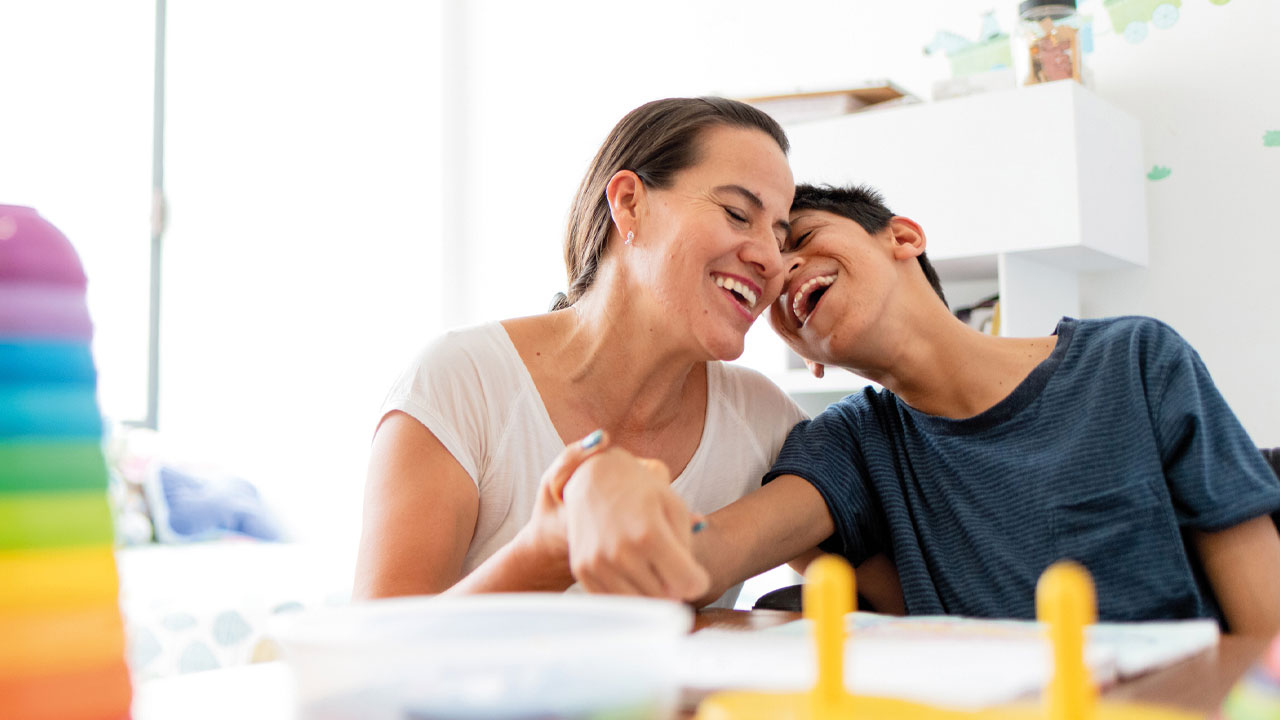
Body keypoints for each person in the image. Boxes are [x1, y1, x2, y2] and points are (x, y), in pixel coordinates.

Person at [569, 183, 1280, 633]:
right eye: (769, 285)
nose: (781, 272)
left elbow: (1266, 629)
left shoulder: (1135, 361)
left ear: (902, 237)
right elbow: (703, 556)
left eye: (803, 240)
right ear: (808, 356)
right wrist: (601, 486)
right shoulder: (850, 443)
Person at [352, 97, 809, 608]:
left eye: (780, 235)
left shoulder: (764, 422)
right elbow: (375, 653)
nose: (771, 259)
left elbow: (891, 577)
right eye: (736, 213)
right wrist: (545, 553)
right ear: (630, 203)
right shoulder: (459, 382)